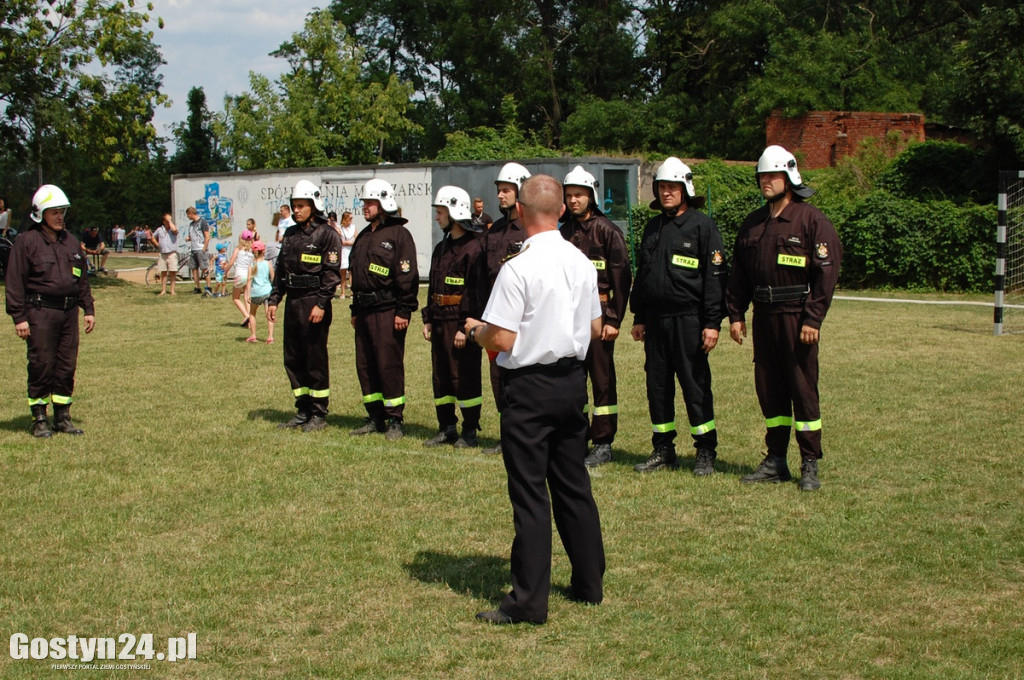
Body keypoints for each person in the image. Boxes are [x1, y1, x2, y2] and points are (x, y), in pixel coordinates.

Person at [465, 174, 604, 625]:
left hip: (528, 387)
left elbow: (502, 337)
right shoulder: (582, 262)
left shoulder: (517, 267)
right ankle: (589, 583)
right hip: (571, 383)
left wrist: (474, 330)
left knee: (529, 494)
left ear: (520, 212)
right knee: (572, 485)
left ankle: (528, 602)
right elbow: (597, 328)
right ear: (562, 210)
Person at [726, 145, 843, 492]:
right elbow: (739, 274)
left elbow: (827, 271)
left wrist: (813, 319)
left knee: (802, 389)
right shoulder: (754, 223)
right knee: (770, 391)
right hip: (763, 317)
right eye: (762, 176)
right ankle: (776, 459)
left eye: (772, 176)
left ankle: (809, 463)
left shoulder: (811, 220)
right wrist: (736, 313)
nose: (765, 181)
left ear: (789, 178)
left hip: (796, 318)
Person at [629, 157, 727, 475]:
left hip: (689, 320)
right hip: (656, 322)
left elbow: (715, 279)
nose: (666, 192)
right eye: (661, 187)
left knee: (695, 385)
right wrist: (639, 315)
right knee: (657, 386)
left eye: (672, 187)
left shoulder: (702, 226)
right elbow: (643, 274)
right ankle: (663, 448)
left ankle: (705, 451)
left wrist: (712, 323)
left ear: (685, 189)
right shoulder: (653, 226)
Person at [5, 185, 96, 438]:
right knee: (41, 364)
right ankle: (39, 418)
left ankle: (62, 417)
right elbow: (14, 282)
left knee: (66, 366)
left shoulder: (71, 242)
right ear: (40, 214)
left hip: (68, 314)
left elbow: (82, 279)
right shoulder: (26, 242)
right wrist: (19, 317)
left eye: (62, 212)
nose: (59, 217)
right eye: (54, 212)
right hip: (39, 312)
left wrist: (88, 308)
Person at [560, 165, 633, 467]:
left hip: (600, 317)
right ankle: (575, 437)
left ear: (592, 195)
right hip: (567, 319)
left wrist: (614, 320)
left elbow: (622, 278)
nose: (574, 200)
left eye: (579, 195)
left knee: (601, 380)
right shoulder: (562, 232)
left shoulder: (607, 232)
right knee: (571, 379)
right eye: (569, 195)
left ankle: (603, 441)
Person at [267, 180, 342, 432]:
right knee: (293, 357)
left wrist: (321, 304)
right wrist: (275, 299)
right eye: (294, 206)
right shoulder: (290, 234)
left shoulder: (327, 233)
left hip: (314, 302)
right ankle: (303, 409)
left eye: (301, 206)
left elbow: (331, 274)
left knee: (315, 357)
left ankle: (319, 413)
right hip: (293, 302)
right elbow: (281, 269)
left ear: (313, 205)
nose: (296, 210)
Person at [348, 178, 419, 440]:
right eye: (364, 202)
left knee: (388, 365)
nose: (364, 206)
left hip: (388, 310)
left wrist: (404, 310)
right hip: (364, 311)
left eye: (370, 202)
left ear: (383, 202)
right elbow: (357, 274)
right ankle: (375, 416)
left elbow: (407, 276)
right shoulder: (365, 235)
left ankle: (395, 419)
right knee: (365, 365)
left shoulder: (399, 235)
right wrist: (355, 309)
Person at [421, 186, 487, 448]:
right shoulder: (441, 247)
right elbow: (433, 285)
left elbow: (475, 291)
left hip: (460, 324)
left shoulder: (474, 248)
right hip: (438, 320)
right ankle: (446, 426)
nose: (437, 218)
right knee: (441, 376)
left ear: (454, 212)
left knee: (465, 376)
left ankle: (470, 430)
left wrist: (463, 326)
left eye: (440, 212)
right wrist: (428, 318)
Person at [481, 162, 531, 454]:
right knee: (498, 377)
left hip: (522, 320)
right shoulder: (494, 231)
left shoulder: (528, 231)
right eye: (499, 191)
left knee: (519, 379)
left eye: (506, 191)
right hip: (496, 316)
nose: (500, 196)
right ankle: (506, 434)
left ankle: (522, 434)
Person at [223, 230, 255, 325]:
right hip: (249, 276)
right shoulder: (252, 250)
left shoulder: (238, 249)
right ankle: (250, 321)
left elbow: (231, 261)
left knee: (235, 298)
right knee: (247, 298)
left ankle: (246, 315)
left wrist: (225, 272)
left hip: (239, 275)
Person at [246, 241, 275, 344]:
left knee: (252, 314)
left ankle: (253, 335)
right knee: (269, 314)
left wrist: (248, 294)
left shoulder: (252, 265)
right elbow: (273, 278)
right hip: (267, 291)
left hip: (256, 292)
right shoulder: (268, 264)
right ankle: (270, 337)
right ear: (264, 251)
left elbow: (249, 280)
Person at [185, 206, 212, 295]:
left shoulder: (202, 222)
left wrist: (204, 248)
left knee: (204, 268)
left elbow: (207, 236)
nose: (188, 217)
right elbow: (194, 235)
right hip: (193, 248)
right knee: (194, 268)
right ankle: (197, 287)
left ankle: (208, 287)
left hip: (200, 248)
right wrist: (189, 238)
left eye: (188, 215)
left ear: (191, 214)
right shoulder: (191, 224)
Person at [151, 213, 180, 296]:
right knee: (163, 272)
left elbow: (175, 230)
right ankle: (163, 290)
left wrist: (170, 220)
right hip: (163, 253)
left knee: (172, 272)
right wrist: (157, 245)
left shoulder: (173, 229)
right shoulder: (160, 229)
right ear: (163, 221)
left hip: (171, 253)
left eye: (169, 221)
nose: (168, 222)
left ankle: (172, 290)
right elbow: (152, 237)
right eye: (166, 221)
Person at [338, 211, 355, 298]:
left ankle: (352, 292)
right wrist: (348, 243)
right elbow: (340, 241)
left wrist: (348, 243)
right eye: (350, 218)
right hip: (343, 251)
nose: (351, 220)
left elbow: (356, 239)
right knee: (343, 273)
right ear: (346, 218)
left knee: (351, 272)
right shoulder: (340, 228)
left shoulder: (353, 227)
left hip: (351, 251)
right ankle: (343, 292)